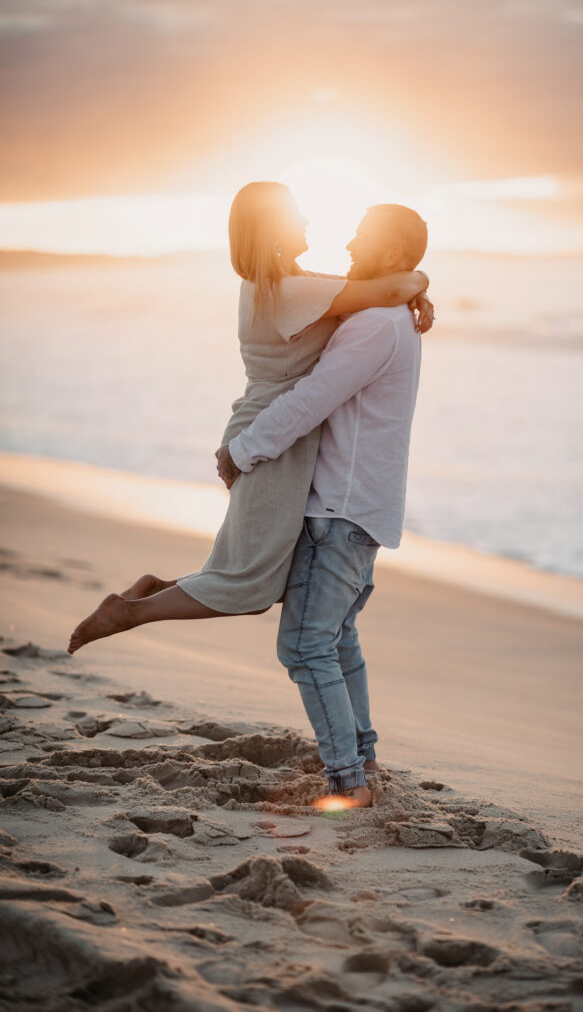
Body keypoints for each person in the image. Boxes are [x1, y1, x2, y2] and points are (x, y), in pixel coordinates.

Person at [67, 183, 431, 654]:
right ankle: (129, 612)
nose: (307, 224)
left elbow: (377, 292)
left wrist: (409, 292)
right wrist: (416, 287)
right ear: (275, 230)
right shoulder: (289, 292)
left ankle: (153, 591)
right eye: (297, 216)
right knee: (252, 583)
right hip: (269, 437)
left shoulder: (291, 285)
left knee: (261, 575)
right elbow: (392, 286)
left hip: (274, 435)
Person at [216, 203, 429, 808]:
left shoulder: (371, 325)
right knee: (338, 641)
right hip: (365, 507)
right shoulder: (394, 317)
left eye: (363, 235)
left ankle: (348, 781)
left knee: (306, 645)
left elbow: (312, 397)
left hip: (338, 509)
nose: (349, 241)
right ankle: (363, 757)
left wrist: (245, 449)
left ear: (390, 254)